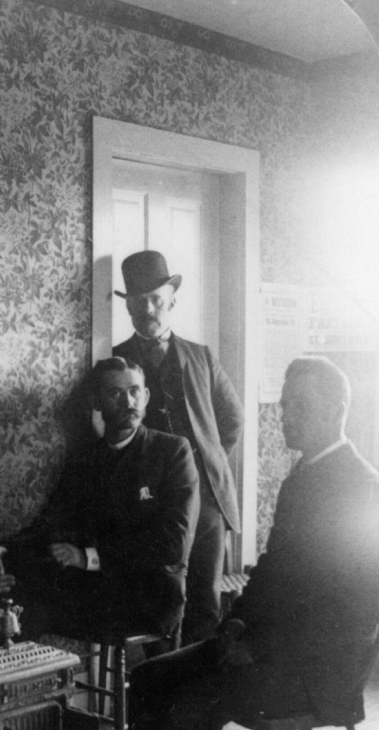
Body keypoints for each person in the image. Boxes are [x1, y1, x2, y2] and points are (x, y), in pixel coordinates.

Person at [66, 356, 379, 730]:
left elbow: (344, 610)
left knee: (189, 704)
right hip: (264, 648)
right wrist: (234, 623)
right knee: (150, 679)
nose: (283, 416)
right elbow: (277, 575)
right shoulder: (306, 476)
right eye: (283, 404)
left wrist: (254, 647)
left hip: (312, 671)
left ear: (334, 410)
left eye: (296, 407)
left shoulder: (361, 488)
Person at [1, 356, 200, 646]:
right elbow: (51, 523)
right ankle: (25, 684)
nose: (127, 401)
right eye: (115, 393)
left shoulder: (171, 452)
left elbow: (173, 544)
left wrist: (88, 558)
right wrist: (2, 551)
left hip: (150, 598)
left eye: (134, 392)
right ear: (97, 401)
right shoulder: (85, 458)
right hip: (98, 593)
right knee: (18, 597)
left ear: (145, 397)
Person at [113, 251, 244, 643]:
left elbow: (233, 419)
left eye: (155, 299)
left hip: (206, 504)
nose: (147, 309)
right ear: (129, 307)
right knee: (160, 606)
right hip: (151, 505)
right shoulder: (117, 361)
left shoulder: (200, 356)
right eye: (138, 302)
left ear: (172, 298)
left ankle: (200, 696)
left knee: (204, 601)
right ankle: (163, 691)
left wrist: (206, 462)